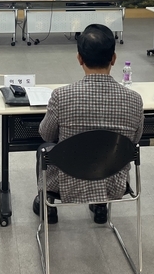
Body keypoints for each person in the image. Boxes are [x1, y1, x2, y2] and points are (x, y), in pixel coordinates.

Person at [33, 24, 144, 224]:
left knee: (44, 149)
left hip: (68, 181)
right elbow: (134, 140)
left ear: (79, 58)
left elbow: (47, 135)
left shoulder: (61, 96)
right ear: (113, 58)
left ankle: (47, 204)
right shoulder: (134, 99)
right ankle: (100, 205)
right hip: (113, 181)